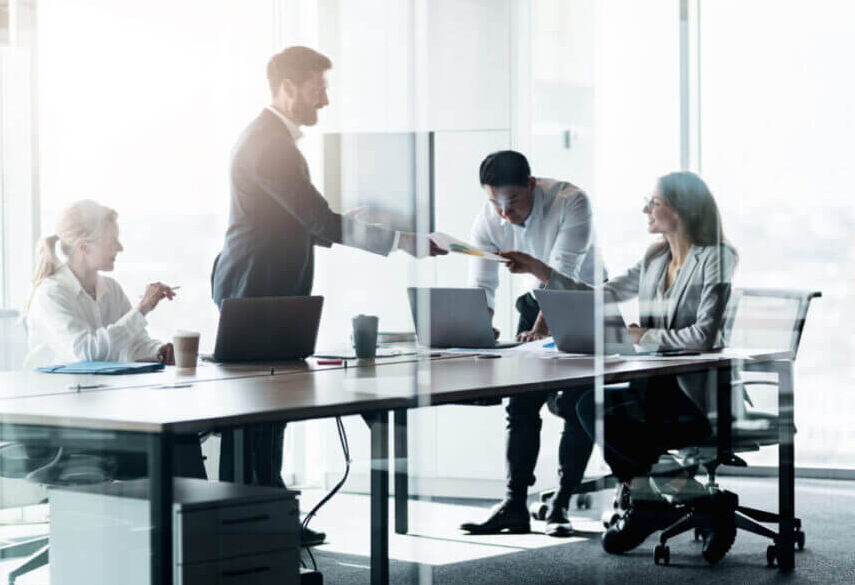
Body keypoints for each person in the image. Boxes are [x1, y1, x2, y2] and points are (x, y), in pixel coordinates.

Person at [210, 46, 444, 546]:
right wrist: (401, 241)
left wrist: (344, 223)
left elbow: (298, 221)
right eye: (319, 89)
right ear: (288, 87)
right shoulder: (269, 143)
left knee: (267, 414)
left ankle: (264, 521)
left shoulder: (271, 140)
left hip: (265, 288)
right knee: (256, 415)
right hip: (256, 290)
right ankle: (255, 526)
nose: (325, 101)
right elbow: (315, 219)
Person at [499, 171, 737, 558]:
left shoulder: (717, 259)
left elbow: (705, 336)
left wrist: (645, 336)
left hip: (692, 393)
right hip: (654, 384)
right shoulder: (656, 257)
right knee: (585, 405)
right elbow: (601, 295)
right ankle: (681, 501)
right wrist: (539, 270)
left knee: (601, 412)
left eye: (654, 200)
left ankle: (655, 504)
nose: (645, 207)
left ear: (681, 209)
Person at [459, 150, 604, 537]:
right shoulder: (488, 217)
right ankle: (514, 505)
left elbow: (564, 272)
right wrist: (480, 328)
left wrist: (541, 329)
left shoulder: (572, 202)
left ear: (532, 185)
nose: (504, 213)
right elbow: (482, 284)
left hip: (582, 299)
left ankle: (561, 503)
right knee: (520, 404)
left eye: (513, 201)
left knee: (577, 405)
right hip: (535, 301)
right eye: (495, 203)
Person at [24, 199, 205, 478]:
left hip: (102, 407)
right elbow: (87, 353)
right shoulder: (51, 294)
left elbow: (131, 344)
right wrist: (142, 308)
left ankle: (191, 518)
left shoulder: (110, 288)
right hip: (61, 416)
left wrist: (157, 351)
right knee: (163, 441)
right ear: (84, 247)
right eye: (112, 241)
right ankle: (174, 515)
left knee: (179, 433)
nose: (119, 248)